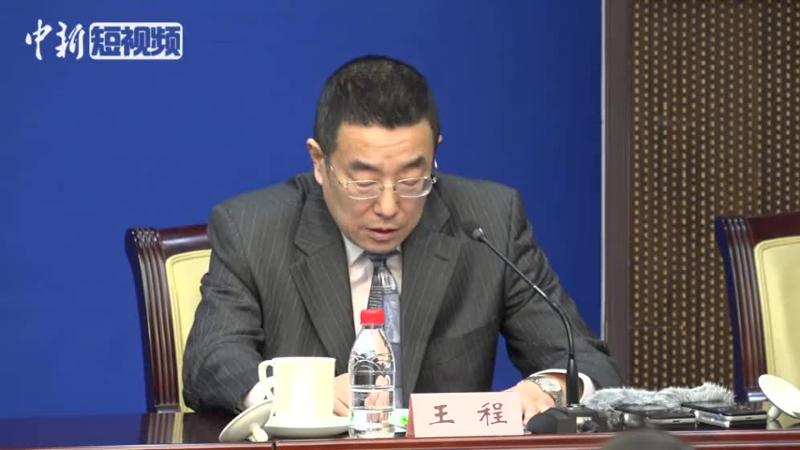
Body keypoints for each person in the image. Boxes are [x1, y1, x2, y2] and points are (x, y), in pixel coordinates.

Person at [183, 55, 623, 422]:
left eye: (413, 180)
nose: (389, 206)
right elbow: (212, 359)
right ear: (319, 162)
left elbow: (588, 362)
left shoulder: (490, 222)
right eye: (364, 182)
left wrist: (547, 388)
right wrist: (302, 394)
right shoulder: (253, 228)